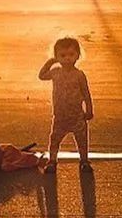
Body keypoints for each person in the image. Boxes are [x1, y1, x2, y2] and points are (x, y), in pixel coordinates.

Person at [38, 36, 94, 173]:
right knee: (55, 139)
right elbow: (42, 76)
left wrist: (89, 109)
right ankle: (52, 161)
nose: (67, 58)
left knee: (82, 140)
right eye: (62, 55)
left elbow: (86, 93)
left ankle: (84, 161)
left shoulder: (79, 75)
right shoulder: (55, 72)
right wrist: (50, 62)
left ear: (77, 55)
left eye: (71, 54)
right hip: (60, 116)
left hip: (77, 115)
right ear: (57, 57)